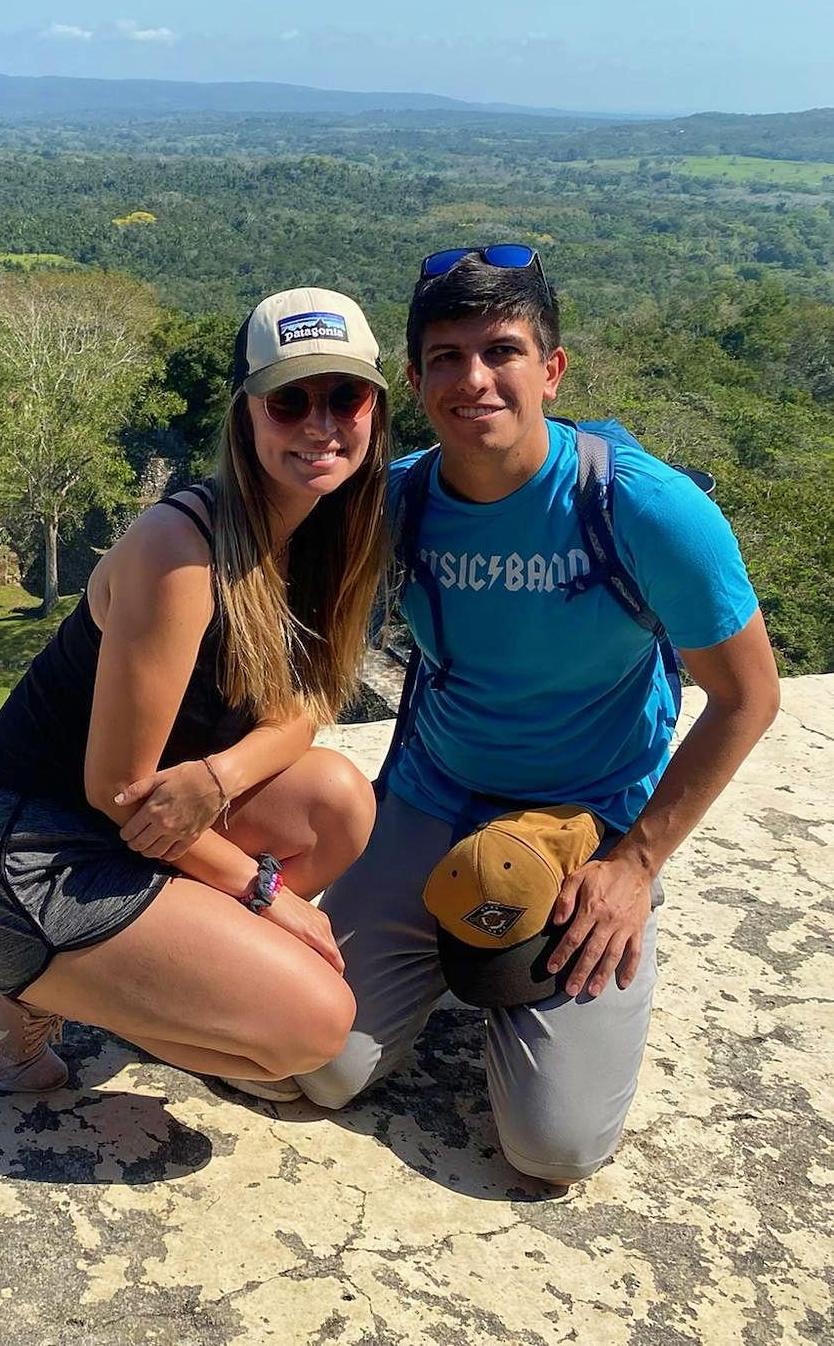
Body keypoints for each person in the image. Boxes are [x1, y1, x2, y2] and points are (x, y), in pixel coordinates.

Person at [294, 246, 780, 1183]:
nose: (474, 379)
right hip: (436, 795)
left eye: (502, 351)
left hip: (588, 822)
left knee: (554, 1148)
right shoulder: (399, 503)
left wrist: (635, 865)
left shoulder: (639, 507)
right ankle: (467, 953)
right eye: (446, 356)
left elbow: (749, 696)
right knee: (321, 1066)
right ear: (415, 382)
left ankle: (522, 964)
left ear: (551, 370)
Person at [0, 287, 391, 1096]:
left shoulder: (323, 533)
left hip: (141, 831)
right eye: (290, 401)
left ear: (375, 410)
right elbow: (117, 790)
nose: (321, 425)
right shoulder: (181, 550)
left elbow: (304, 713)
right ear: (245, 416)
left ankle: (156, 973)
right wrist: (265, 893)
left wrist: (218, 777)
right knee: (312, 1032)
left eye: (344, 397)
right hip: (28, 856)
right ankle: (20, 988)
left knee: (339, 802)